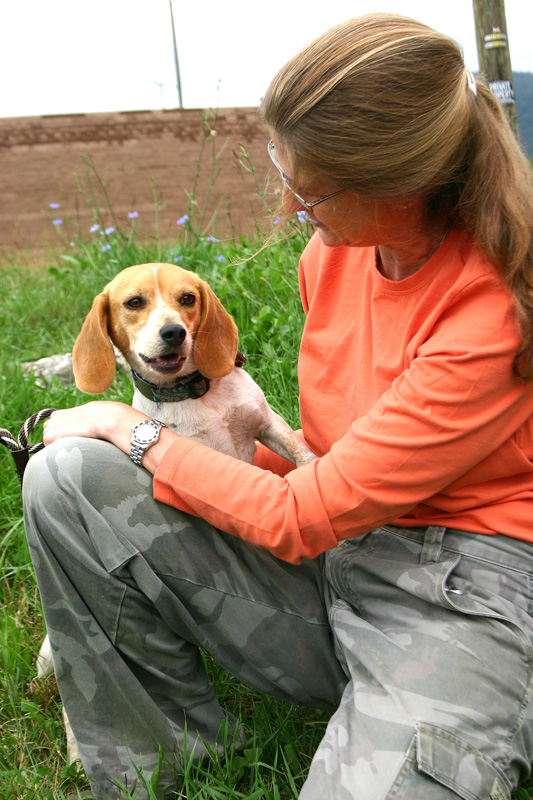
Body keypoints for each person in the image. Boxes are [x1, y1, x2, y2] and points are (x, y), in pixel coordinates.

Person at [23, 12, 533, 800]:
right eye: (280, 167)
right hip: (333, 558)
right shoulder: (332, 253)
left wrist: (133, 426)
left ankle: (426, 712)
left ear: (394, 182)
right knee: (66, 477)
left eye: (310, 186)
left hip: (458, 601)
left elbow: (300, 515)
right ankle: (159, 767)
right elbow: (326, 475)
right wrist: (182, 441)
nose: (289, 201)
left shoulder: (489, 312)